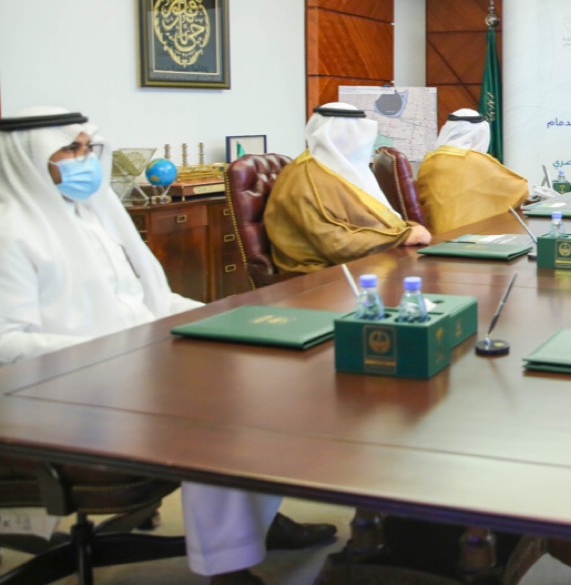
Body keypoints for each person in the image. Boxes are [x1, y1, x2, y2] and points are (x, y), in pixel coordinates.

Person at [0, 107, 336, 585]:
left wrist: (217, 312)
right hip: (55, 398)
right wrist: (121, 348)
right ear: (26, 158)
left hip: (128, 371)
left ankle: (257, 522)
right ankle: (228, 564)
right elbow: (8, 342)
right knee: (223, 414)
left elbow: (143, 300)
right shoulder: (10, 232)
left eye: (86, 147)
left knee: (269, 380)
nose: (84, 159)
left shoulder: (90, 215)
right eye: (70, 149)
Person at [265, 102, 431, 274]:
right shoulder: (305, 179)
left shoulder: (339, 170)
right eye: (353, 132)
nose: (361, 141)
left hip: (361, 264)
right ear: (338, 136)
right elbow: (334, 244)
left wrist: (408, 230)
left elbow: (376, 220)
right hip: (318, 276)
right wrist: (402, 236)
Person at [415, 109, 529, 233]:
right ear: (479, 135)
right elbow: (520, 190)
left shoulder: (428, 161)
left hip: (436, 236)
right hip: (470, 236)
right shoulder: (477, 161)